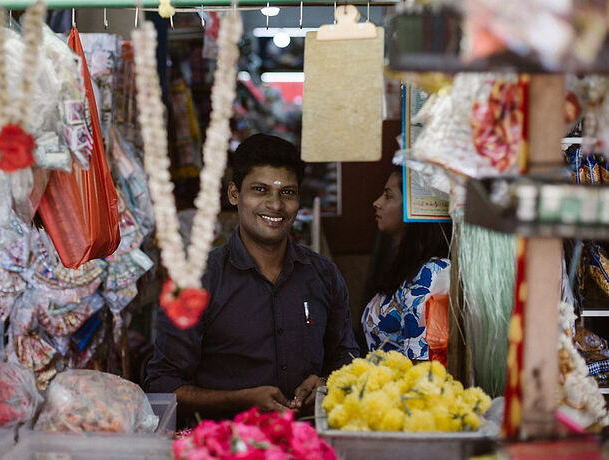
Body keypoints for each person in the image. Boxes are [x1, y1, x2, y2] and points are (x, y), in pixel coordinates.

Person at [145, 133, 359, 422]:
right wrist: (242, 399)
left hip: (307, 443)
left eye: (287, 192)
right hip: (224, 446)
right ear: (234, 194)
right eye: (260, 190)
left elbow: (347, 361)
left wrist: (326, 385)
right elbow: (163, 387)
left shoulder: (323, 275)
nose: (275, 205)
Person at [361, 166, 451, 361]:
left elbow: (423, 364)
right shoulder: (406, 266)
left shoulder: (432, 273)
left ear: (415, 206)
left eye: (388, 196)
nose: (376, 203)